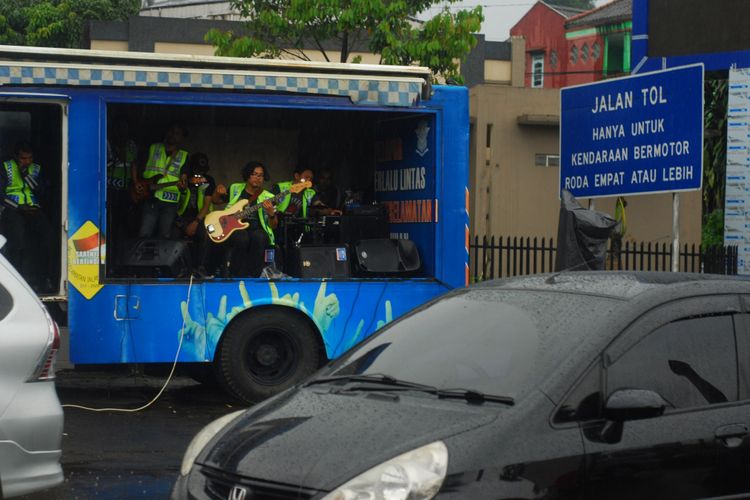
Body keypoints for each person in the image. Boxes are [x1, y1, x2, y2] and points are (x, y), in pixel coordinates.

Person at [0, 141, 53, 291]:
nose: (27, 161)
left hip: (33, 209)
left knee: (49, 238)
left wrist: (25, 175)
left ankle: (44, 279)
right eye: (23, 158)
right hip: (13, 209)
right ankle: (16, 282)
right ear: (15, 156)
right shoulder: (6, 167)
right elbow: (1, 195)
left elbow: (41, 192)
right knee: (17, 243)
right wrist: (19, 208)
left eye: (29, 158)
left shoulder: (35, 169)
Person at [214, 161, 278, 278]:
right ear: (247, 175)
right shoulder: (235, 188)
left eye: (261, 175)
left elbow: (274, 225)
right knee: (241, 237)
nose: (258, 178)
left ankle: (253, 275)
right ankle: (235, 274)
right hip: (233, 228)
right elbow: (216, 201)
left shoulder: (268, 197)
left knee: (260, 237)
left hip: (256, 229)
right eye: (254, 174)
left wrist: (271, 215)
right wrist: (217, 193)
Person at [136, 123, 189, 239]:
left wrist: (183, 186)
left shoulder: (184, 156)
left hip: (170, 202)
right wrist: (136, 182)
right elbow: (136, 165)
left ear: (181, 138)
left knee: (164, 236)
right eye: (171, 131)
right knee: (144, 234)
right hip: (149, 196)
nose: (173, 135)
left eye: (177, 134)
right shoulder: (153, 148)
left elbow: (184, 179)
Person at [106, 116, 139, 250]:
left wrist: (135, 183)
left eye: (124, 129)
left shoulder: (131, 145)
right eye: (119, 129)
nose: (121, 132)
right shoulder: (106, 141)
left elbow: (132, 162)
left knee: (125, 225)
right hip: (109, 188)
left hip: (125, 190)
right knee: (109, 224)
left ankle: (121, 255)